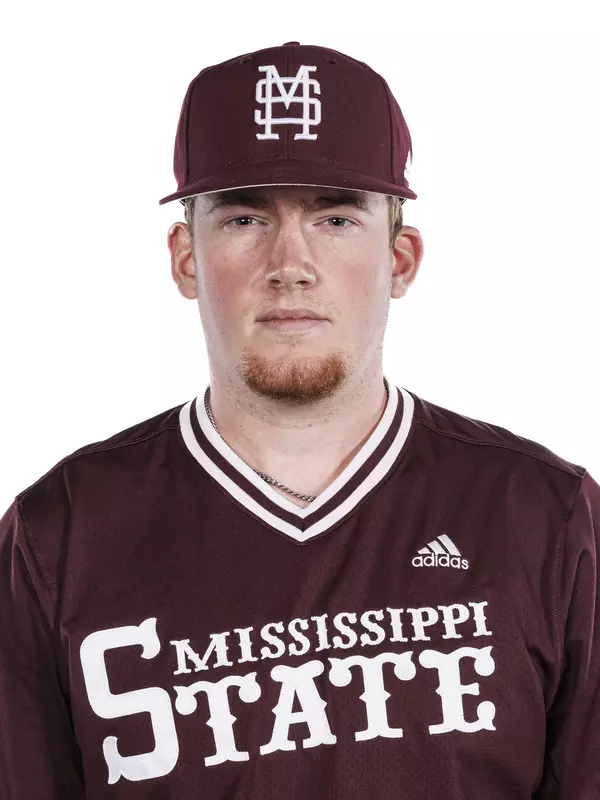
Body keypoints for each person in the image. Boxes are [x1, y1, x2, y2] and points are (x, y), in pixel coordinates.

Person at [0, 41, 598, 800]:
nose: (290, 261)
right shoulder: (59, 537)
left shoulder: (545, 516)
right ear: (185, 257)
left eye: (336, 218)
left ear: (402, 258)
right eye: (245, 216)